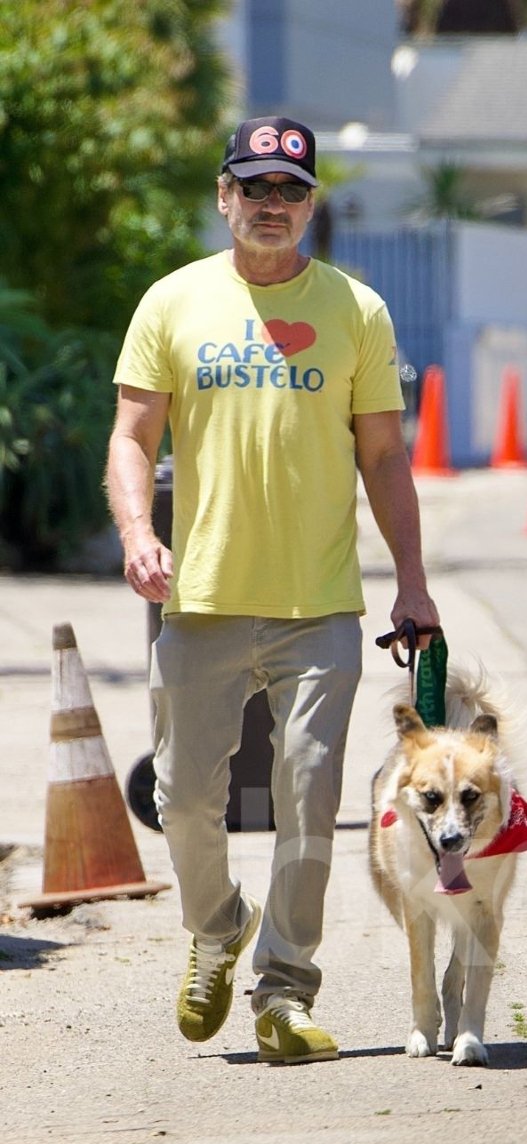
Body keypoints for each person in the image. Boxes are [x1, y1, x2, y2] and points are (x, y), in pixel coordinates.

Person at [106, 116, 440, 1062]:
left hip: (318, 602)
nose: (272, 204)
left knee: (308, 790)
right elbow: (132, 436)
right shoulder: (172, 302)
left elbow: (384, 455)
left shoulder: (356, 310)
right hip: (202, 594)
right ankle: (217, 929)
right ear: (225, 197)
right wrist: (137, 534)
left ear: (311, 205)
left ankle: (285, 990)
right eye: (254, 187)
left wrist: (412, 582)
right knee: (182, 798)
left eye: (291, 190)